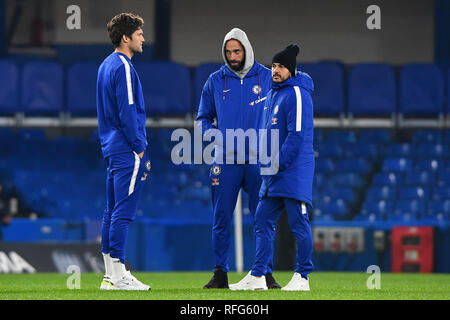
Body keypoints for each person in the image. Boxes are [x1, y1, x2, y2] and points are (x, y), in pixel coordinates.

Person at [196, 28, 280, 289]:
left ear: (247, 49)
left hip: (259, 160)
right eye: (228, 52)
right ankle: (220, 273)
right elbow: (202, 119)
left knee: (263, 218)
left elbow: (283, 109)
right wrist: (215, 136)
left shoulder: (268, 78)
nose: (232, 56)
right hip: (225, 160)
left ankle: (264, 273)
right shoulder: (214, 81)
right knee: (221, 218)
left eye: (237, 51)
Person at [229, 44, 315, 291]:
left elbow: (297, 136)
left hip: (293, 171)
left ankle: (302, 277)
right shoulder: (274, 93)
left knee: (299, 223)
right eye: (274, 66)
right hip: (272, 173)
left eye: (281, 67)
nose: (275, 70)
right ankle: (258, 276)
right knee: (262, 219)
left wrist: (278, 164)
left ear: (292, 70)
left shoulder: (297, 94)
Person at [96, 12, 151, 291]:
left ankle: (110, 274)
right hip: (127, 149)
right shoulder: (124, 67)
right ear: (126, 38)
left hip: (111, 147)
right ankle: (119, 275)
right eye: (139, 33)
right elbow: (128, 111)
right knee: (123, 212)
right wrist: (140, 148)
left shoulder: (105, 65)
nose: (143, 37)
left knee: (111, 210)